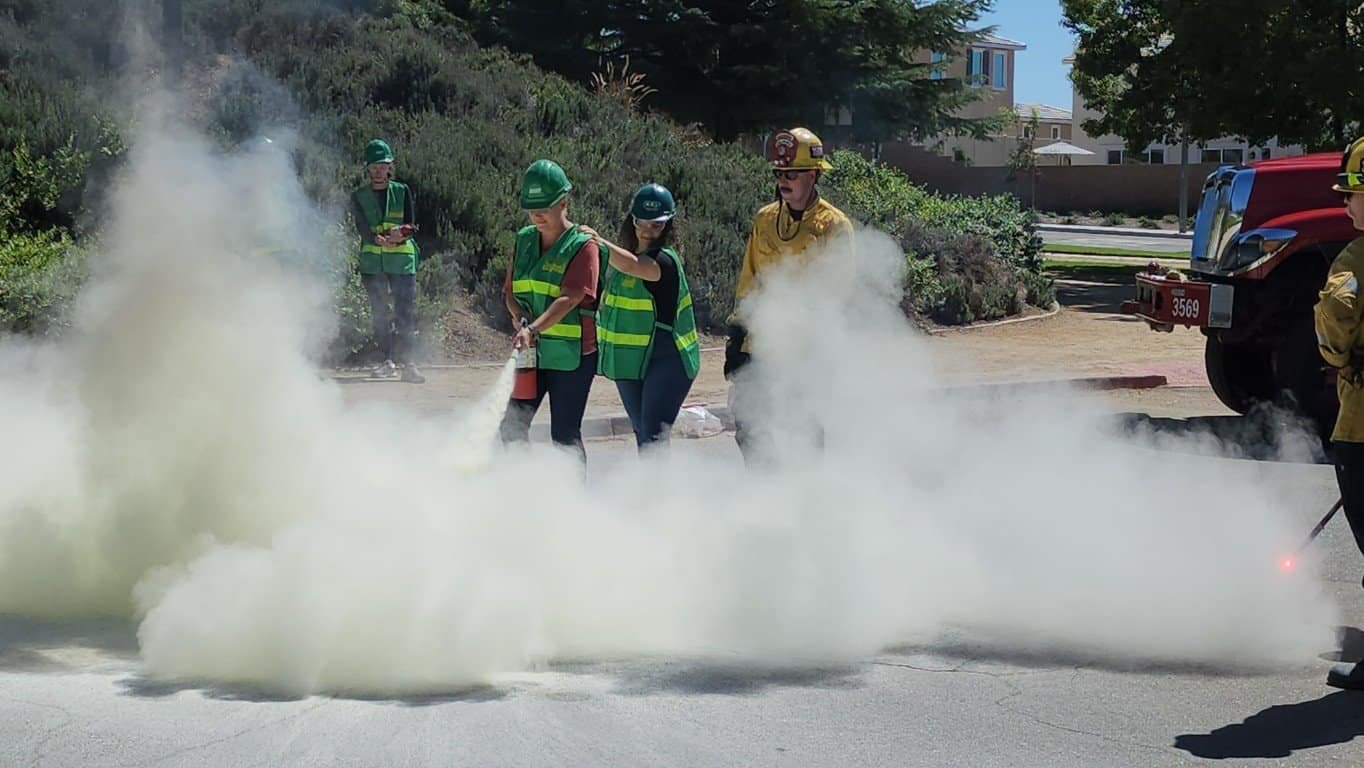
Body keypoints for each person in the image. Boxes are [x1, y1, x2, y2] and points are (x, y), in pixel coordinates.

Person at [723, 127, 853, 462]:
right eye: (779, 173)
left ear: (814, 175)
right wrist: (738, 334)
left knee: (803, 427)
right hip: (761, 341)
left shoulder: (834, 225)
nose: (783, 180)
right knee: (749, 424)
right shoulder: (764, 219)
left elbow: (838, 292)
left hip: (806, 349)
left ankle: (806, 489)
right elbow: (750, 278)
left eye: (791, 174)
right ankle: (767, 486)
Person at [580, 183, 700, 450]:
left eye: (656, 224)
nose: (647, 230)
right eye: (641, 222)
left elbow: (634, 266)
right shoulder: (625, 260)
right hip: (629, 359)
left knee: (653, 436)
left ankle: (656, 480)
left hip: (668, 358)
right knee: (642, 432)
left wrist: (598, 241)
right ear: (632, 220)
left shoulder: (664, 261)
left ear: (667, 225)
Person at [498, 159, 601, 462]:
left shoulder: (583, 246)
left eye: (544, 208)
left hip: (572, 357)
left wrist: (531, 329)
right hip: (533, 354)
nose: (537, 217)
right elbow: (510, 292)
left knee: (565, 435)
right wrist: (519, 317)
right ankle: (529, 484)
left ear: (564, 203)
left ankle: (572, 491)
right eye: (532, 210)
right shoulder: (524, 240)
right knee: (511, 428)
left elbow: (569, 298)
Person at [1314, 136, 1364, 690]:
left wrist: (1337, 357)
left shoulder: (1354, 262)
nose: (1347, 204)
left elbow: (1336, 317)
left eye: (1352, 193)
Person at [353, 139, 424, 384]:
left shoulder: (402, 191)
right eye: (374, 166)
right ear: (368, 168)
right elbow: (361, 227)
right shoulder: (359, 196)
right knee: (379, 313)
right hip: (373, 264)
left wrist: (400, 235)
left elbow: (412, 224)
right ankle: (387, 361)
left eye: (383, 166)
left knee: (405, 312)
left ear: (389, 167)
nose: (378, 171)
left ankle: (409, 364)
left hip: (402, 262)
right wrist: (376, 238)